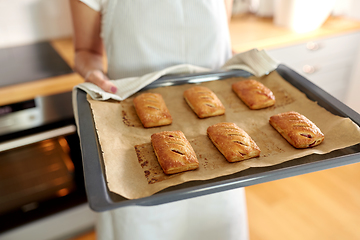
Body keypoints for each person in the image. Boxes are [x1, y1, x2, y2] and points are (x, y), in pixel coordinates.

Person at [70, 1, 249, 239]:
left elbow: (219, 42)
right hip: (134, 140)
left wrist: (241, 65)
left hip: (220, 141)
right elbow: (85, 51)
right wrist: (95, 75)